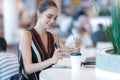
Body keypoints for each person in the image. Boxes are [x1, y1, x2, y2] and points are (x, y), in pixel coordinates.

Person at [19, 0, 81, 80]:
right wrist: (52, 60)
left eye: (55, 18)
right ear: (39, 14)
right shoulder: (27, 36)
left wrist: (77, 48)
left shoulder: (53, 37)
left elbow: (71, 54)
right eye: (49, 16)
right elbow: (28, 68)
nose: (52, 21)